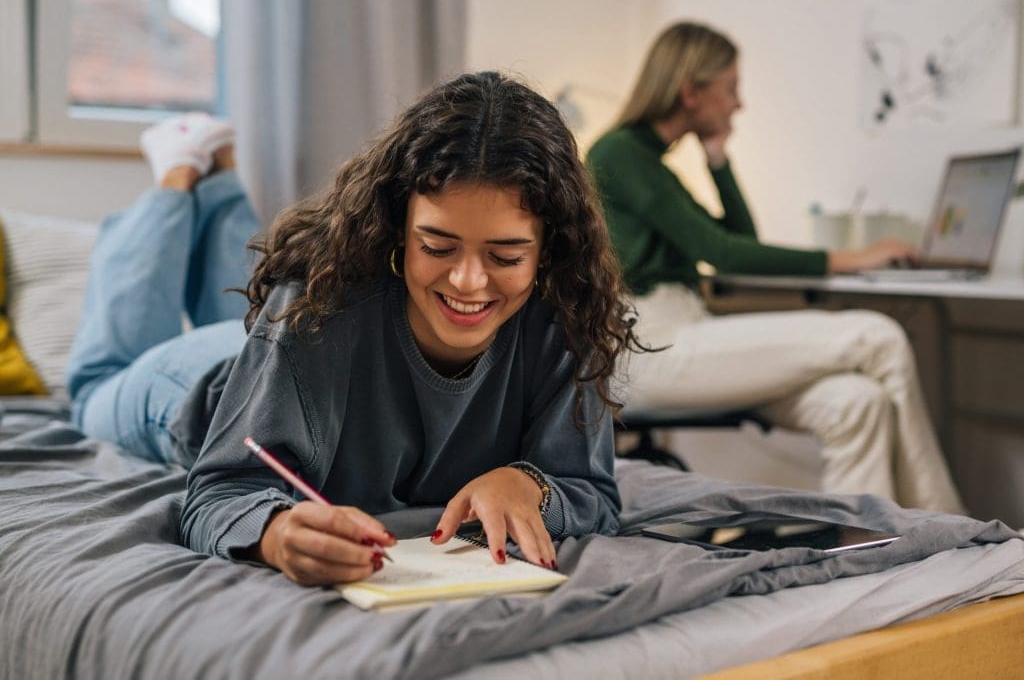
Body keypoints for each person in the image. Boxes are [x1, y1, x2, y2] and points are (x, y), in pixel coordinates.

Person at [66, 71, 637, 586]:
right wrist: (274, 532)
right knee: (97, 381)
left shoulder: (569, 311)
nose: (468, 282)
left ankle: (220, 180)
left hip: (276, 356)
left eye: (506, 257)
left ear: (549, 251)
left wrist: (528, 484)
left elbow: (590, 492)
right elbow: (220, 492)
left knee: (247, 312)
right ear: (397, 229)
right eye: (436, 246)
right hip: (198, 388)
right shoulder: (319, 306)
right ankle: (179, 173)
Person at [586, 22, 965, 514]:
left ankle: (871, 547)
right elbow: (723, 252)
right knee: (880, 336)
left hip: (682, 334)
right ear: (690, 92)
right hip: (646, 345)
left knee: (856, 402)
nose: (738, 104)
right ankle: (944, 524)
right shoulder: (621, 153)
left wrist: (718, 158)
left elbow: (740, 241)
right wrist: (852, 259)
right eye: (731, 88)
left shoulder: (652, 164)